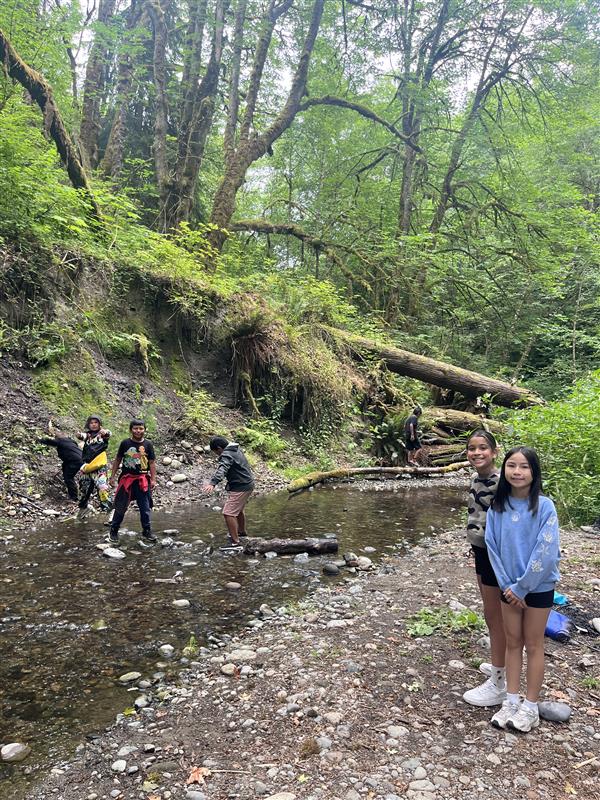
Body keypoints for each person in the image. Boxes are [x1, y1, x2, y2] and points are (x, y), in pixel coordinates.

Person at [485, 447, 560, 733]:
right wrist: (507, 585)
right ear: (504, 469)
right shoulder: (497, 507)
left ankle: (530, 706)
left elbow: (546, 550)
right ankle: (511, 700)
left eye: (524, 466)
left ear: (534, 472)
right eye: (512, 465)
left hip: (538, 587)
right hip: (508, 589)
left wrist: (522, 587)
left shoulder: (545, 506)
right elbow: (492, 547)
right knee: (513, 642)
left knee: (534, 643)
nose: (517, 472)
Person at [462, 430, 506, 708]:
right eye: (471, 448)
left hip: (496, 555)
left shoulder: (503, 482)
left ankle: (499, 682)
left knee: (495, 615)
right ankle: (501, 664)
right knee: (491, 613)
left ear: (494, 451)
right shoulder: (476, 479)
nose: (476, 453)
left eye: (482, 448)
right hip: (481, 552)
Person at [108, 419, 157, 545]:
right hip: (127, 479)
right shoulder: (125, 443)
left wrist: (153, 479)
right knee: (121, 506)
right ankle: (114, 530)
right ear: (131, 430)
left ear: (144, 430)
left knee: (145, 507)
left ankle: (146, 531)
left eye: (141, 428)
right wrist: (112, 477)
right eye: (135, 428)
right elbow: (118, 459)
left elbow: (151, 462)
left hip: (142, 480)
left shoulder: (148, 444)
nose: (138, 431)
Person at [202, 436, 255, 551]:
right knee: (238, 510)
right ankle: (241, 532)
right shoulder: (235, 449)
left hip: (241, 486)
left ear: (219, 448)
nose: (217, 455)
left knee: (228, 513)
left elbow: (223, 469)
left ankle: (236, 543)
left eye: (216, 452)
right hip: (247, 483)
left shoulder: (226, 454)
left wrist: (213, 483)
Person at [77, 415, 112, 518]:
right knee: (83, 489)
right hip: (87, 466)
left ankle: (110, 512)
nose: (93, 424)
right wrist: (78, 434)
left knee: (102, 487)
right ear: (88, 425)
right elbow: (81, 436)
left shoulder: (102, 435)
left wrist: (105, 432)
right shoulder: (88, 436)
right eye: (91, 423)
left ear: (100, 424)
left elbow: (108, 433)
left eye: (96, 422)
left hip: (99, 466)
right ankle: (84, 508)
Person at [38, 432, 84, 501]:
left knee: (68, 478)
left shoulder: (60, 441)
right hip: (80, 458)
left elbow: (49, 442)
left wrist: (39, 440)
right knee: (65, 466)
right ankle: (71, 487)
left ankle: (74, 497)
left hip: (75, 461)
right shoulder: (71, 441)